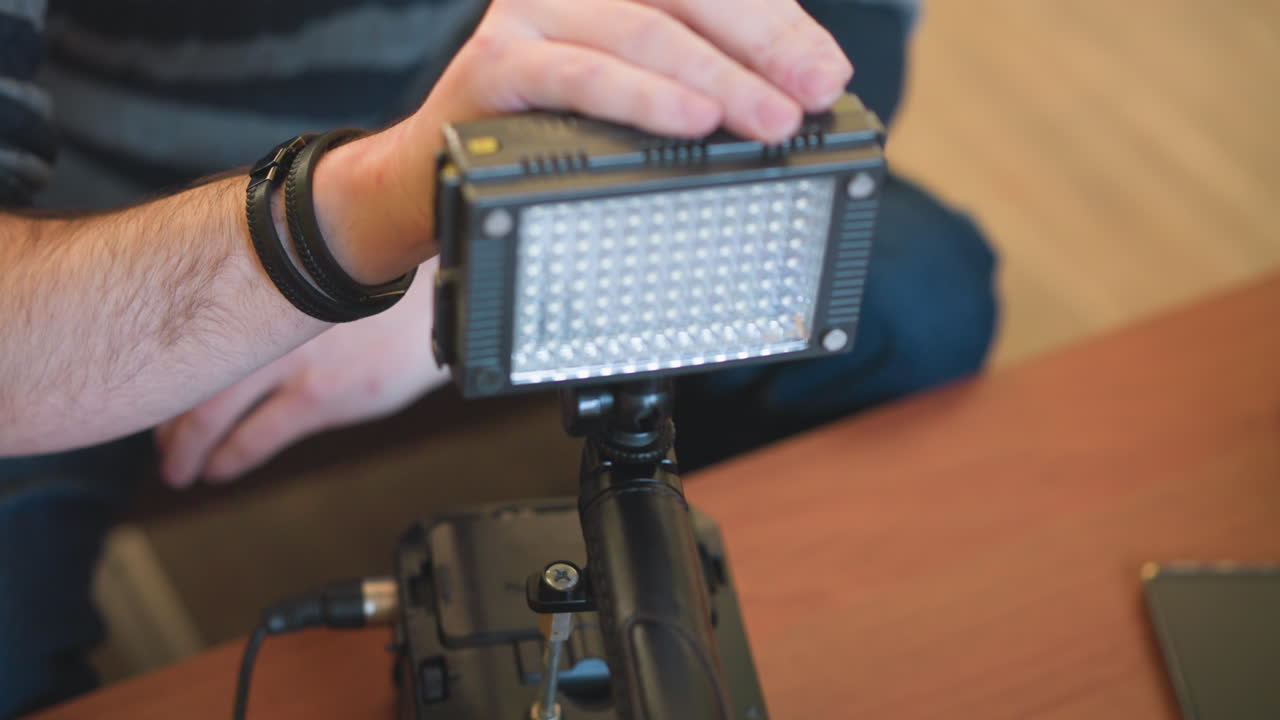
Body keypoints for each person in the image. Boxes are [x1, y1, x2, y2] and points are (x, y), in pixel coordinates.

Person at [0, 0, 995, 714]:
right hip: (101, 215)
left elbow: (838, 27)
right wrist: (365, 228)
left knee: (920, 299)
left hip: (525, 138)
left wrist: (457, 266)